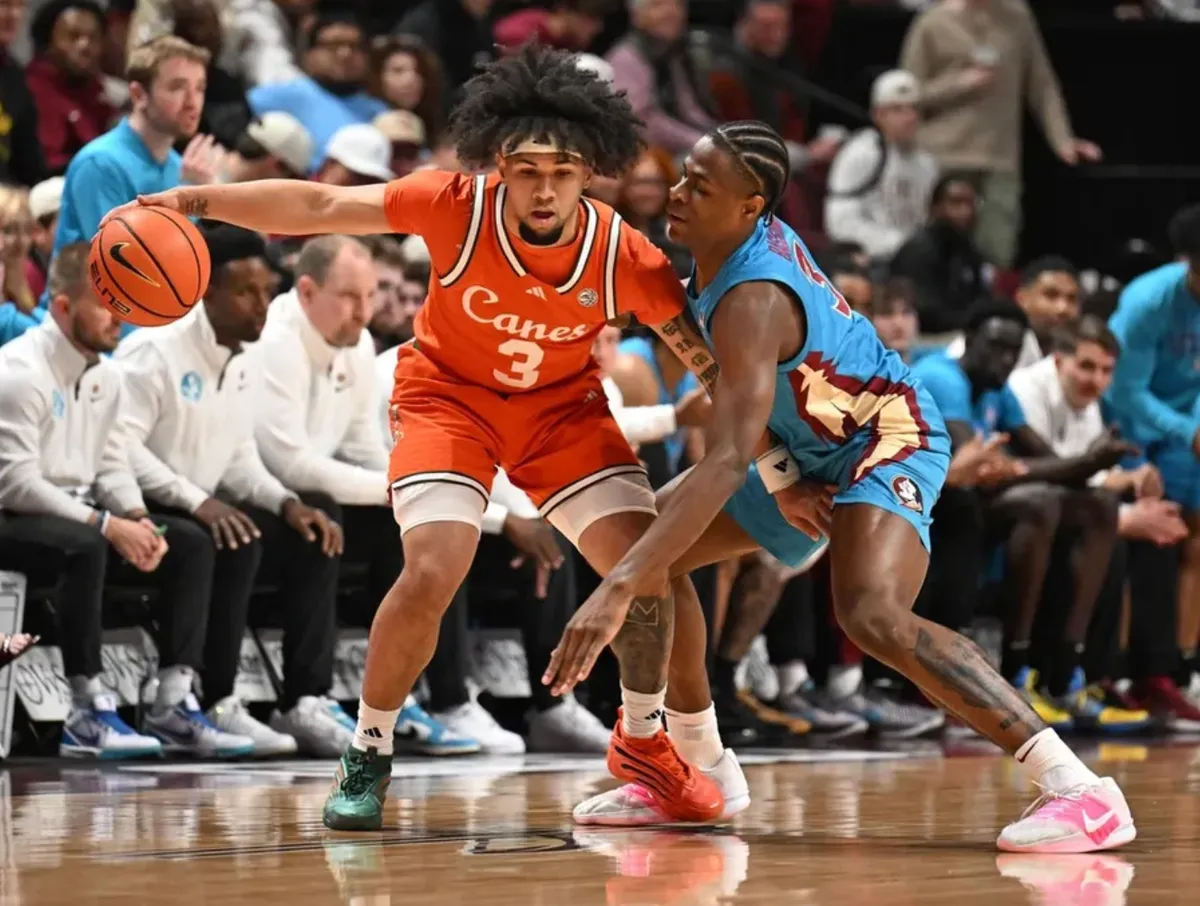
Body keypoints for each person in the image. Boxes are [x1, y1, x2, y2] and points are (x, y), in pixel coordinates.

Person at [110, 47, 815, 829]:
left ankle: (645, 740)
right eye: (527, 170)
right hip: (449, 401)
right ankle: (368, 750)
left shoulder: (625, 255)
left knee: (646, 568)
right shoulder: (454, 205)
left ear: (590, 173)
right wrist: (196, 199)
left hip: (561, 414)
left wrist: (785, 469)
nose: (543, 189)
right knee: (432, 570)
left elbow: (722, 378)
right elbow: (320, 204)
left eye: (562, 171)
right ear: (499, 165)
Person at [548, 120, 1135, 854]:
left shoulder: (753, 297)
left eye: (700, 186)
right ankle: (699, 769)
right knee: (644, 553)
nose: (677, 193)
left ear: (749, 206)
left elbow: (724, 457)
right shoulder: (723, 254)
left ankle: (1079, 789)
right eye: (683, 178)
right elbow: (727, 386)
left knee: (870, 613)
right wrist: (781, 480)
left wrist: (615, 590)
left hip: (885, 433)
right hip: (809, 443)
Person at [113, 223, 354, 757]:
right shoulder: (153, 352)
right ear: (206, 292)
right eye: (247, 292)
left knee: (314, 525)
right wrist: (197, 501)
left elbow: (240, 457)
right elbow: (118, 449)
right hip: (138, 507)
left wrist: (285, 503)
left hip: (200, 505)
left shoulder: (242, 358)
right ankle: (197, 701)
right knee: (221, 538)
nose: (262, 306)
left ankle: (304, 700)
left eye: (268, 291)